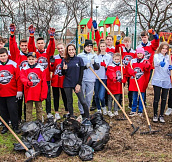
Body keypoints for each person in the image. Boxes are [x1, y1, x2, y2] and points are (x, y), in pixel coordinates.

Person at [28, 25, 55, 117]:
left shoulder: (47, 53)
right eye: (38, 43)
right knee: (37, 98)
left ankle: (48, 112)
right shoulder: (35, 53)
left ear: (44, 44)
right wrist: (31, 36)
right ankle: (38, 114)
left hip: (46, 79)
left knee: (48, 96)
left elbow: (52, 48)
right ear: (36, 44)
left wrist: (51, 38)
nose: (40, 44)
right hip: (37, 79)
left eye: (42, 43)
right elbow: (30, 47)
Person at [61, 44, 90, 123]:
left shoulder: (79, 59)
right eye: (69, 50)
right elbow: (63, 73)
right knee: (69, 101)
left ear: (75, 50)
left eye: (72, 49)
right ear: (67, 51)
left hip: (76, 83)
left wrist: (79, 84)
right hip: (67, 83)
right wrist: (64, 69)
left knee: (83, 101)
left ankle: (87, 117)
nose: (71, 51)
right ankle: (72, 116)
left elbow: (81, 73)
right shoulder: (64, 60)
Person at [20, 52, 48, 122]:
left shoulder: (40, 69)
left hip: (38, 93)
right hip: (29, 93)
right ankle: (28, 123)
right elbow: (22, 77)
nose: (31, 61)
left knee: (39, 109)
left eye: (33, 59)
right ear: (27, 60)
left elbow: (44, 82)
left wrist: (43, 94)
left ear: (36, 59)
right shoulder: (24, 69)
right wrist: (27, 82)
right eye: (29, 59)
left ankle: (39, 122)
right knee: (28, 110)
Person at [0, 48, 22, 134]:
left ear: (7, 55)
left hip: (12, 93)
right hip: (1, 93)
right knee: (3, 110)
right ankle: (5, 126)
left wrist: (19, 90)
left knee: (13, 110)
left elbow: (18, 78)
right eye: (1, 56)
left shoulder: (13, 64)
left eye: (4, 56)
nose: (3, 58)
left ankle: (15, 126)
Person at [9, 23, 28, 123]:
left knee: (27, 102)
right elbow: (12, 46)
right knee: (18, 102)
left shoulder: (29, 56)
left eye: (26, 45)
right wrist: (12, 35)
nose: (24, 47)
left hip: (27, 82)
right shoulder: (17, 54)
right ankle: (18, 118)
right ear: (20, 46)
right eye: (22, 46)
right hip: (18, 82)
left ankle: (26, 118)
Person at [77, 39, 100, 117]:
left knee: (88, 97)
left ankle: (87, 112)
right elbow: (78, 68)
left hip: (91, 79)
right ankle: (82, 112)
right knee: (81, 97)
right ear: (84, 47)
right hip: (82, 79)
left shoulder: (94, 56)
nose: (89, 48)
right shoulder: (80, 56)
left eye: (90, 46)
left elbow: (97, 68)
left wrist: (94, 63)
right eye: (87, 46)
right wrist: (85, 66)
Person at [151, 42, 171, 123]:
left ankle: (161, 115)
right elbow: (156, 63)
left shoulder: (168, 57)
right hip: (158, 79)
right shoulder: (156, 56)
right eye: (163, 48)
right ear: (160, 48)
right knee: (156, 98)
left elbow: (169, 70)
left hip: (166, 79)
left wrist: (170, 68)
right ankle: (155, 114)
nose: (164, 50)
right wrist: (160, 63)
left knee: (164, 98)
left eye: (166, 49)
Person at [127, 47, 151, 117]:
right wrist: (130, 71)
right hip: (134, 82)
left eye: (141, 53)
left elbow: (147, 69)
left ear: (143, 54)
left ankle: (140, 110)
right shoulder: (132, 61)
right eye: (138, 53)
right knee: (134, 97)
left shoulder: (145, 61)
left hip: (141, 82)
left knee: (141, 97)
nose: (139, 55)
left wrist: (147, 66)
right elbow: (128, 68)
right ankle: (133, 110)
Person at [115, 37, 136, 108]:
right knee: (121, 87)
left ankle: (130, 103)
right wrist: (117, 42)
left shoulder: (133, 52)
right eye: (125, 42)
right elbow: (117, 48)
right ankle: (119, 103)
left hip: (130, 72)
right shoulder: (122, 50)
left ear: (130, 42)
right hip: (123, 71)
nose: (127, 43)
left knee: (131, 88)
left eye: (128, 42)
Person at [50, 42, 68, 120]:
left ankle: (67, 111)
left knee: (65, 96)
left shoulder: (67, 57)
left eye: (61, 48)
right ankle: (56, 112)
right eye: (58, 49)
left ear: (64, 48)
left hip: (64, 80)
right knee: (56, 96)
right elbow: (51, 69)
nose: (60, 50)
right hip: (56, 80)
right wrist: (51, 64)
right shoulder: (55, 57)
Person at [106, 53, 127, 117]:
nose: (117, 60)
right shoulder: (110, 66)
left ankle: (115, 110)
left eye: (118, 59)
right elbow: (109, 73)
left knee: (117, 98)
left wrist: (124, 79)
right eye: (115, 59)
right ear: (113, 59)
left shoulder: (122, 66)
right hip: (111, 84)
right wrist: (113, 78)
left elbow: (125, 74)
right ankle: (109, 110)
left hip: (118, 85)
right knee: (110, 98)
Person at [95, 40, 112, 115]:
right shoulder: (96, 56)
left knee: (101, 95)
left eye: (103, 46)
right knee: (96, 95)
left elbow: (111, 67)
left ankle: (103, 106)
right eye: (101, 46)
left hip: (104, 77)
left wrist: (106, 66)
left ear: (106, 47)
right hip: (96, 77)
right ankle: (98, 108)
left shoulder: (109, 56)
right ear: (99, 47)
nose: (102, 48)